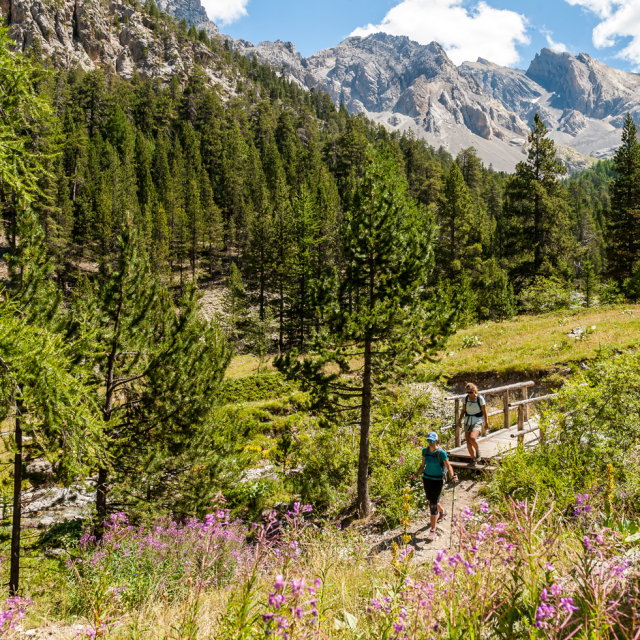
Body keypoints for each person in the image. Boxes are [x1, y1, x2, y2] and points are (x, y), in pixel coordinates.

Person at [414, 431, 458, 538]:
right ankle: (442, 512)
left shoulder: (441, 453)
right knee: (431, 501)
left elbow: (448, 466)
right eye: (428, 440)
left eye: (432, 440)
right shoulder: (425, 451)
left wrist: (453, 475)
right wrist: (416, 475)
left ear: (437, 440)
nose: (430, 442)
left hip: (437, 480)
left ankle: (433, 530)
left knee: (432, 504)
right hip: (427, 479)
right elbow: (422, 466)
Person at [457, 382, 489, 465]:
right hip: (467, 420)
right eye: (468, 392)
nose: (469, 394)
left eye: (471, 392)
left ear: (475, 391)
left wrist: (486, 422)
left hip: (477, 420)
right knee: (468, 441)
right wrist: (459, 420)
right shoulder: (465, 398)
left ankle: (478, 452)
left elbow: (484, 411)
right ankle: (472, 458)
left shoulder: (480, 398)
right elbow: (463, 410)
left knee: (472, 438)